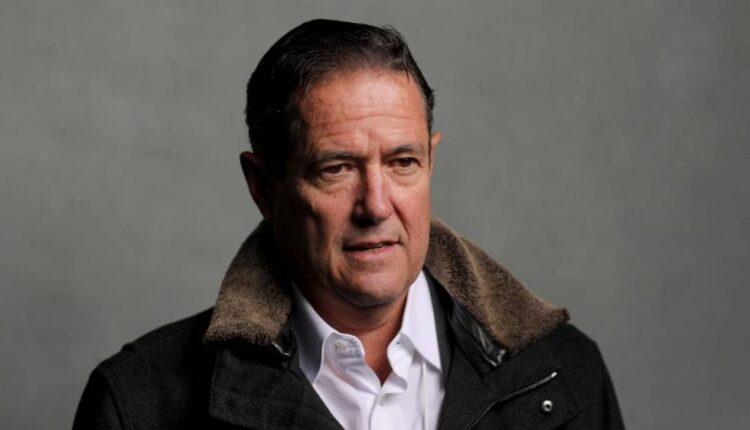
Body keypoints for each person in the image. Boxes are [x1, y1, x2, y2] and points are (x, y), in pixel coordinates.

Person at [73, 19, 624, 429]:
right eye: (336, 168)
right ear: (262, 186)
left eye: (402, 162)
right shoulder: (139, 405)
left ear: (430, 161)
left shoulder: (565, 373)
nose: (376, 206)